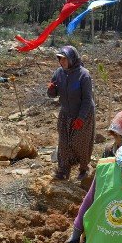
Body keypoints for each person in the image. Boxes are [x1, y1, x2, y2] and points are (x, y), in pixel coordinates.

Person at [47, 46, 95, 180]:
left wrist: (81, 118)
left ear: (72, 59)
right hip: (65, 113)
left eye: (64, 59)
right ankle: (63, 169)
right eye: (60, 59)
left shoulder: (84, 75)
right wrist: (51, 90)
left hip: (83, 113)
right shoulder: (59, 73)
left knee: (80, 142)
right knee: (63, 142)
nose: (61, 62)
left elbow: (87, 99)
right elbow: (53, 94)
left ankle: (84, 168)